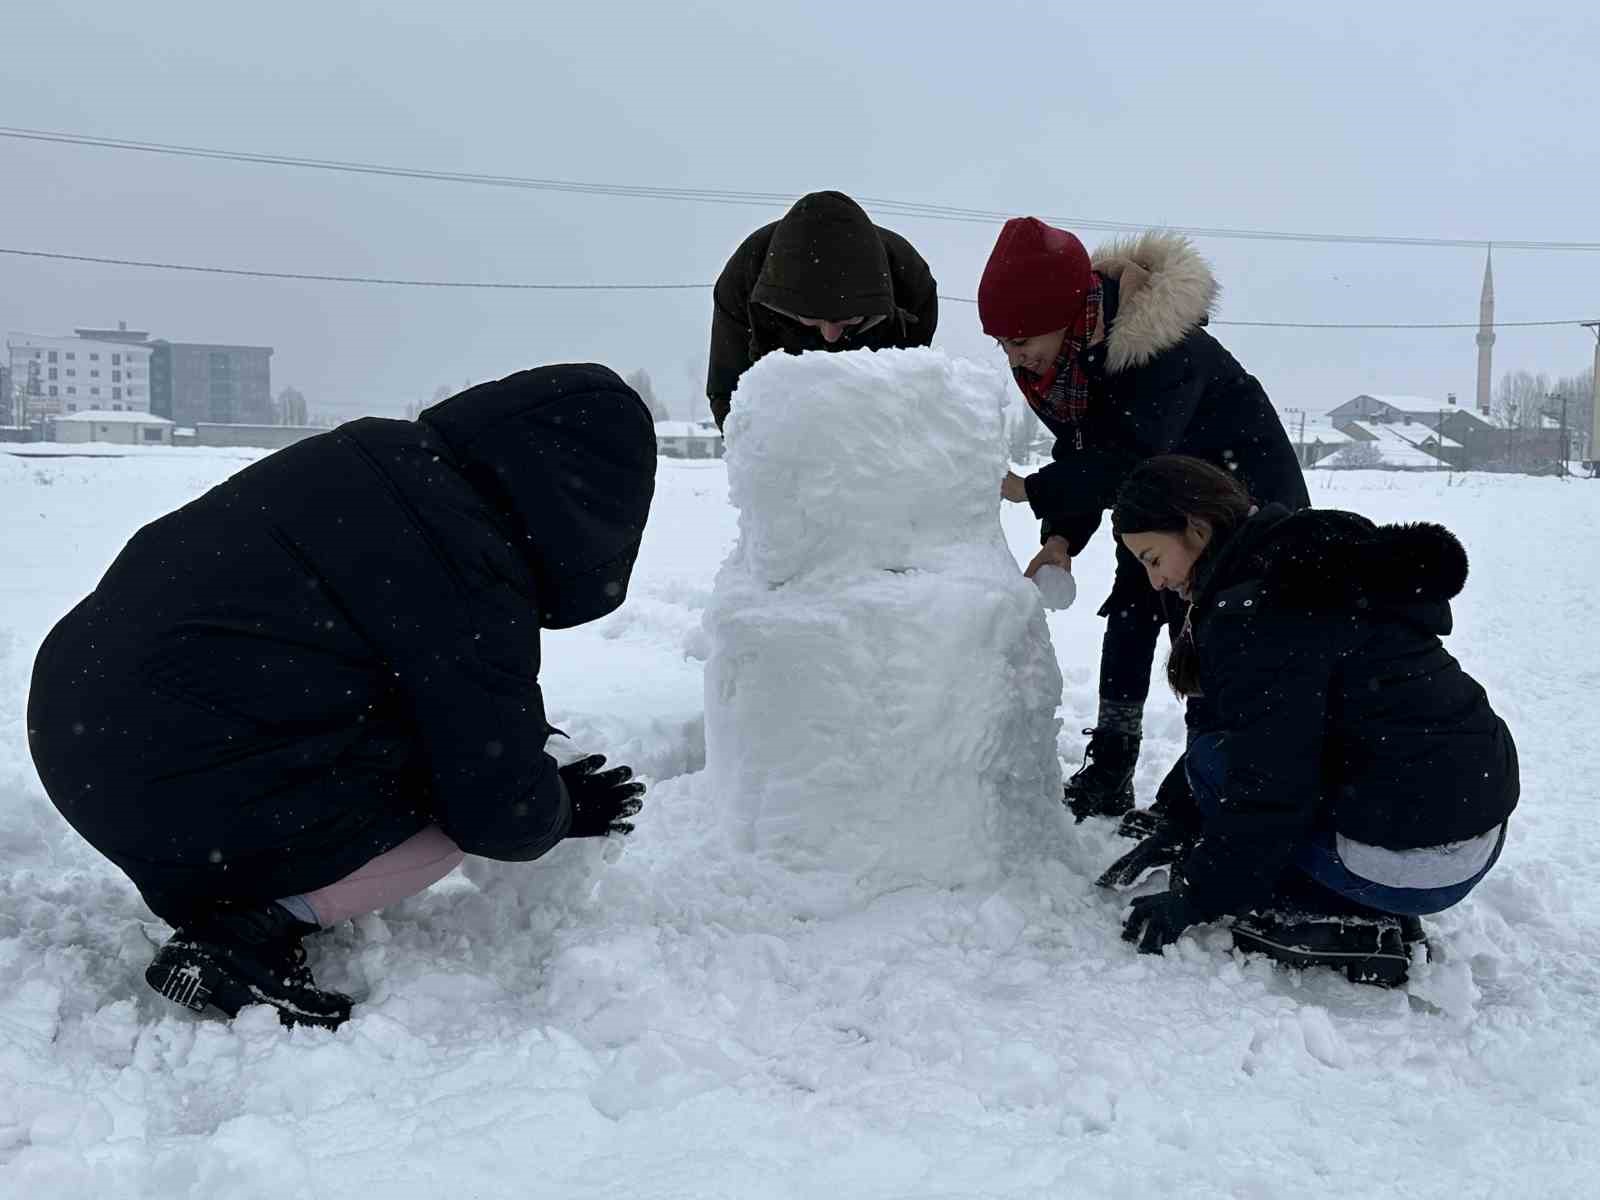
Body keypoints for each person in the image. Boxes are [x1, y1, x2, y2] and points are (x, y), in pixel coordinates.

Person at [27, 364, 657, 1029]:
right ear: (586, 514)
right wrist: (555, 807)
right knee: (447, 812)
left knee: (410, 743)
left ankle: (217, 873)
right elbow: (494, 809)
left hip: (79, 723)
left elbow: (413, 676)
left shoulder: (373, 457)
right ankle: (245, 930)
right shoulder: (471, 569)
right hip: (173, 778)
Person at [1101, 455, 1518, 985]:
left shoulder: (1257, 614)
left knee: (1214, 762)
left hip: (1416, 863)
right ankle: (1354, 884)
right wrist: (1188, 822)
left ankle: (1342, 921)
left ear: (1197, 529)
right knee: (1226, 765)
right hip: (1475, 836)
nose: (1155, 580)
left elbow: (1272, 784)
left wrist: (1198, 895)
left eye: (1153, 557)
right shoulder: (1307, 562)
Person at [979, 218, 1308, 825]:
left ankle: (1204, 794)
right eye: (1001, 341)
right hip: (1162, 503)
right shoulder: (1068, 364)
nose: (1014, 354)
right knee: (1130, 613)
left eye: (1022, 336)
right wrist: (1061, 538)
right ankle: (1111, 764)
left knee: (1212, 638)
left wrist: (1032, 489)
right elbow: (1085, 449)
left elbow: (1130, 452)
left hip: (1245, 509)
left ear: (1066, 312)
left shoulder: (1159, 347)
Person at [707, 190, 938, 428]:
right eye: (812, 318)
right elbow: (730, 395)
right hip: (782, 430)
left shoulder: (910, 282)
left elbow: (909, 397)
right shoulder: (744, 279)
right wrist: (765, 455)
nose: (830, 336)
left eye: (849, 319)